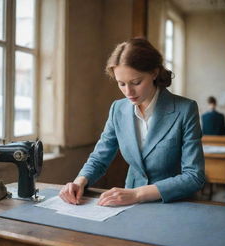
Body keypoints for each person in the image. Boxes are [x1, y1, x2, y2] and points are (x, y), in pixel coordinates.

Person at [59, 38, 205, 206]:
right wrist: (79, 181)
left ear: (154, 73)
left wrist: (137, 194)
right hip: (130, 204)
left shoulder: (185, 109)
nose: (128, 92)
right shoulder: (118, 109)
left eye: (136, 82)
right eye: (121, 84)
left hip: (173, 203)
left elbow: (194, 176)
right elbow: (100, 157)